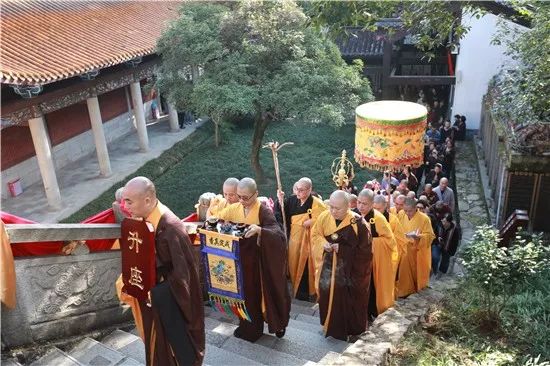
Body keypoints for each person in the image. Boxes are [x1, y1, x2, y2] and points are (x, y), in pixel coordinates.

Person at [117, 177, 205, 365]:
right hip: (153, 301)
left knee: (174, 351)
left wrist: (155, 292)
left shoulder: (170, 228)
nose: (125, 206)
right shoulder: (144, 220)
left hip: (167, 303)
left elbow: (184, 278)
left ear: (147, 200)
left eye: (129, 201)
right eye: (124, 200)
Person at [218, 178, 290, 342]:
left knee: (258, 296)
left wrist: (260, 230)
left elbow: (278, 235)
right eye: (239, 196)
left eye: (246, 197)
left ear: (256, 194)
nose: (242, 201)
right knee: (243, 296)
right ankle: (245, 326)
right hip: (239, 263)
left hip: (259, 265)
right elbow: (218, 220)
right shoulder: (234, 208)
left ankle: (260, 329)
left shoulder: (263, 211)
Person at [312, 191, 372, 341]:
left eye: (337, 208)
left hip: (349, 272)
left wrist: (343, 250)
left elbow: (366, 251)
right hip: (327, 267)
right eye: (331, 206)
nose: (333, 211)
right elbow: (315, 235)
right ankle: (328, 325)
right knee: (327, 294)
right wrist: (323, 244)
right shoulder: (324, 217)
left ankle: (349, 330)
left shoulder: (358, 223)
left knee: (347, 299)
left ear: (348, 207)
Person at [276, 178, 326, 301]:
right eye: (296, 189)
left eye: (301, 190)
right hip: (294, 239)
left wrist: (313, 221)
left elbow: (325, 218)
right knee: (293, 263)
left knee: (306, 266)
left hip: (308, 241)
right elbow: (282, 215)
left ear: (309, 190)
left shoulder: (317, 203)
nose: (298, 192)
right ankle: (296, 290)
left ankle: (308, 293)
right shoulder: (292, 200)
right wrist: (280, 201)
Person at [357, 189, 398, 318]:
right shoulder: (352, 215)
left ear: (371, 204)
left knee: (371, 287)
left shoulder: (378, 218)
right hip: (356, 260)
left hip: (373, 261)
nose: (360, 206)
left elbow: (389, 241)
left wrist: (370, 242)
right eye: (358, 202)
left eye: (364, 204)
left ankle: (370, 312)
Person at [397, 198, 436, 297]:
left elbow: (430, 236)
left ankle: (416, 290)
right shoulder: (401, 214)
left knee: (417, 275)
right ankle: (405, 291)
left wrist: (419, 237)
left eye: (409, 210)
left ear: (415, 208)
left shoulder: (424, 218)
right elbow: (396, 229)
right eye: (405, 210)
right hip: (404, 249)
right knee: (404, 272)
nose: (407, 213)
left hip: (417, 251)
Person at [432, 213, 461, 277]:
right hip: (437, 244)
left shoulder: (455, 230)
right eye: (443, 221)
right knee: (435, 257)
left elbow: (455, 242)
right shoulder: (438, 225)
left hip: (448, 247)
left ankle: (441, 273)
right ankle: (434, 270)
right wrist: (437, 238)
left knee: (445, 261)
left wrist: (452, 252)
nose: (444, 223)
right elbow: (433, 234)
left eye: (446, 222)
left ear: (449, 222)